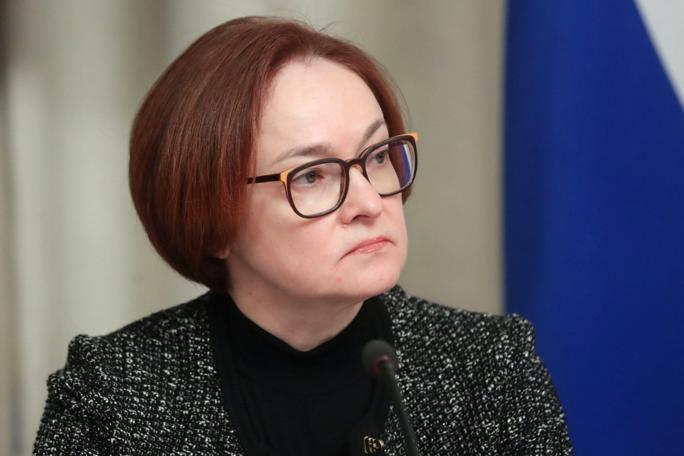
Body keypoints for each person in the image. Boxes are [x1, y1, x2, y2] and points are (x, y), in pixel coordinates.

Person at [33, 16, 572, 455]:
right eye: (313, 175)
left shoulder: (490, 369)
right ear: (212, 219)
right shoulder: (112, 395)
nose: (369, 204)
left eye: (377, 156)